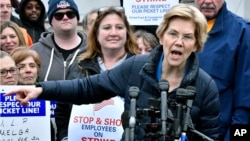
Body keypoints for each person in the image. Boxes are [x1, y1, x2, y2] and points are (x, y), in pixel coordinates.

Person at [5, 4, 220, 140]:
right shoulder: (135, 67)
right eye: (173, 33)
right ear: (162, 36)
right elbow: (88, 87)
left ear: (197, 44)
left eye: (187, 37)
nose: (179, 42)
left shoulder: (206, 86)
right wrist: (41, 90)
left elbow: (210, 136)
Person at [55, 6, 139, 141]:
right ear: (96, 34)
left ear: (127, 33)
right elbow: (63, 111)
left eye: (119, 27)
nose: (113, 33)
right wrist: (65, 137)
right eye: (106, 28)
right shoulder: (79, 66)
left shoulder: (141, 68)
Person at [193, 0, 250, 140]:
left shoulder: (242, 31)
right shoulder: (181, 27)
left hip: (218, 132)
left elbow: (245, 97)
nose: (207, 1)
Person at [31, 0, 87, 82]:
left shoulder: (93, 49)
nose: (65, 17)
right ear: (51, 21)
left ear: (77, 18)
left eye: (70, 14)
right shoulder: (35, 51)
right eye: (59, 15)